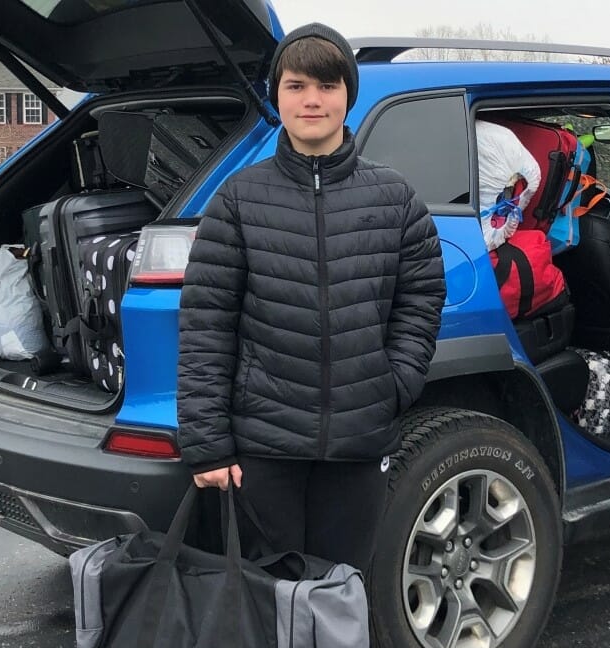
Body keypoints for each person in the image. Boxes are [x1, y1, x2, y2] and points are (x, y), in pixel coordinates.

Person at [176, 23, 446, 574]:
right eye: (296, 86)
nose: (313, 100)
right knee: (267, 590)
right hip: (263, 448)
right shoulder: (238, 200)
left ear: (349, 94)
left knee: (340, 590)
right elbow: (206, 325)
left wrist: (395, 382)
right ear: (277, 96)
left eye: (327, 85)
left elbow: (421, 298)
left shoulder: (395, 198)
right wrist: (208, 444)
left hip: (357, 443)